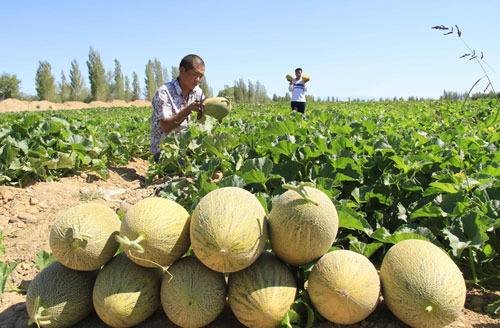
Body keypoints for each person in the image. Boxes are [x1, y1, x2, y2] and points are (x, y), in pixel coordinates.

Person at [150, 54, 205, 163]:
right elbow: (165, 126)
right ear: (182, 70)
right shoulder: (164, 92)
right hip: (164, 152)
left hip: (187, 149)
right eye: (195, 74)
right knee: (185, 169)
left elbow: (206, 114)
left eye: (201, 76)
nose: (198, 80)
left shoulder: (198, 92)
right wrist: (188, 110)